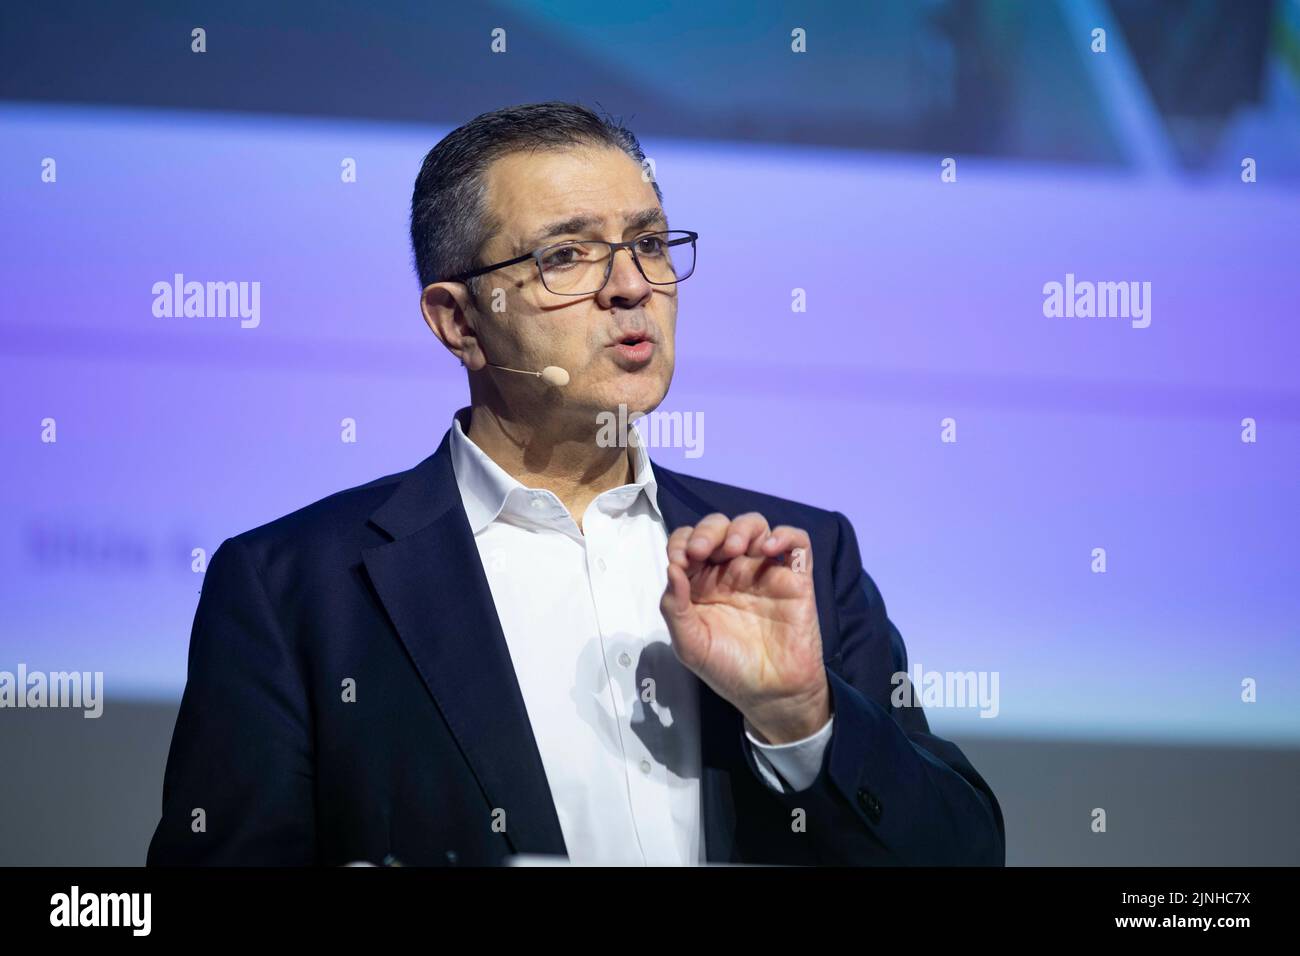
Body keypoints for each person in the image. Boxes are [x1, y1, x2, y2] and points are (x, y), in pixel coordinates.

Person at [147, 101, 1004, 866]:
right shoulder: (297, 586)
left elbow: (962, 857)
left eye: (649, 242)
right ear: (459, 321)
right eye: (568, 255)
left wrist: (801, 719)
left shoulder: (790, 558)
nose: (632, 286)